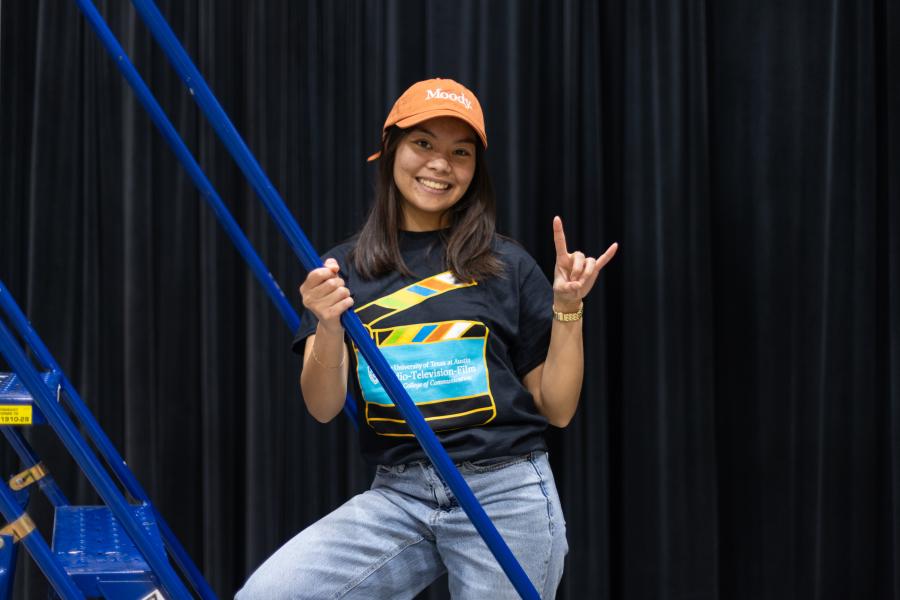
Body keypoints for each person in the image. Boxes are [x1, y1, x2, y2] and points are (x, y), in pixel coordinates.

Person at [236, 78, 617, 599]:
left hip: (506, 493)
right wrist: (328, 324)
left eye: (460, 152)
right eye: (424, 144)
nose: (440, 164)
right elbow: (323, 407)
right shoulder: (342, 269)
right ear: (390, 150)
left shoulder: (508, 266)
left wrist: (568, 310)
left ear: (475, 171)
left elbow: (557, 408)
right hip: (401, 493)